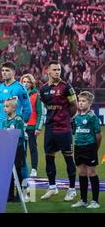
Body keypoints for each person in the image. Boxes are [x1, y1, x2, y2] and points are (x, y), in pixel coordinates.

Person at [40, 61, 78, 201]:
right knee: (49, 158)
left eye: (59, 69)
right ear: (48, 71)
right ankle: (52, 188)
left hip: (63, 128)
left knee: (68, 158)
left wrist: (66, 118)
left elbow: (74, 106)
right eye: (54, 70)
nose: (57, 72)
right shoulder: (43, 89)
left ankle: (72, 189)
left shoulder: (66, 87)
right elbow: (45, 104)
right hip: (50, 128)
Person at [71, 91, 101, 209]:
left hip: (90, 147)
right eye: (80, 101)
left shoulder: (92, 117)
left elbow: (98, 136)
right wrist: (75, 146)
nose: (81, 103)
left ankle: (95, 201)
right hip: (79, 148)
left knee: (91, 173)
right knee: (81, 173)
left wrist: (94, 149)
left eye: (84, 101)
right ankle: (83, 200)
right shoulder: (77, 117)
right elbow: (75, 133)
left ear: (90, 103)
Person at [3, 97, 26, 202]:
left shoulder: (18, 120)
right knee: (8, 172)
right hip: (8, 149)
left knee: (18, 171)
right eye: (4, 106)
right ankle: (9, 195)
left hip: (17, 149)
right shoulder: (4, 121)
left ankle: (19, 194)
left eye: (7, 106)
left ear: (14, 108)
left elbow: (20, 135)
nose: (5, 108)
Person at [0, 62, 32, 129]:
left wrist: (23, 123)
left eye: (7, 70)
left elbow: (28, 108)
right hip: (1, 124)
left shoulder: (20, 88)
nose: (4, 72)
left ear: (13, 72)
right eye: (3, 70)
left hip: (14, 124)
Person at [20, 74, 44, 177]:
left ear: (31, 83)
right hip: (21, 126)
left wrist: (38, 127)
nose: (25, 84)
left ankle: (34, 169)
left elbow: (40, 112)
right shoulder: (19, 95)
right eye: (23, 82)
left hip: (32, 126)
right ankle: (23, 168)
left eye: (27, 82)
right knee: (22, 149)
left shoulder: (36, 95)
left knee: (32, 148)